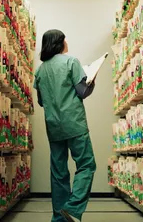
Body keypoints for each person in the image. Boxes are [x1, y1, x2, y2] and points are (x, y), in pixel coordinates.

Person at [33, 29, 97, 222]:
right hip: (74, 123)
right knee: (86, 165)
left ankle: (59, 219)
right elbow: (82, 92)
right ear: (59, 43)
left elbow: (41, 102)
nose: (66, 42)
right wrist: (92, 80)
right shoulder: (71, 62)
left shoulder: (40, 70)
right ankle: (73, 208)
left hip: (53, 126)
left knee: (59, 172)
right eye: (64, 39)